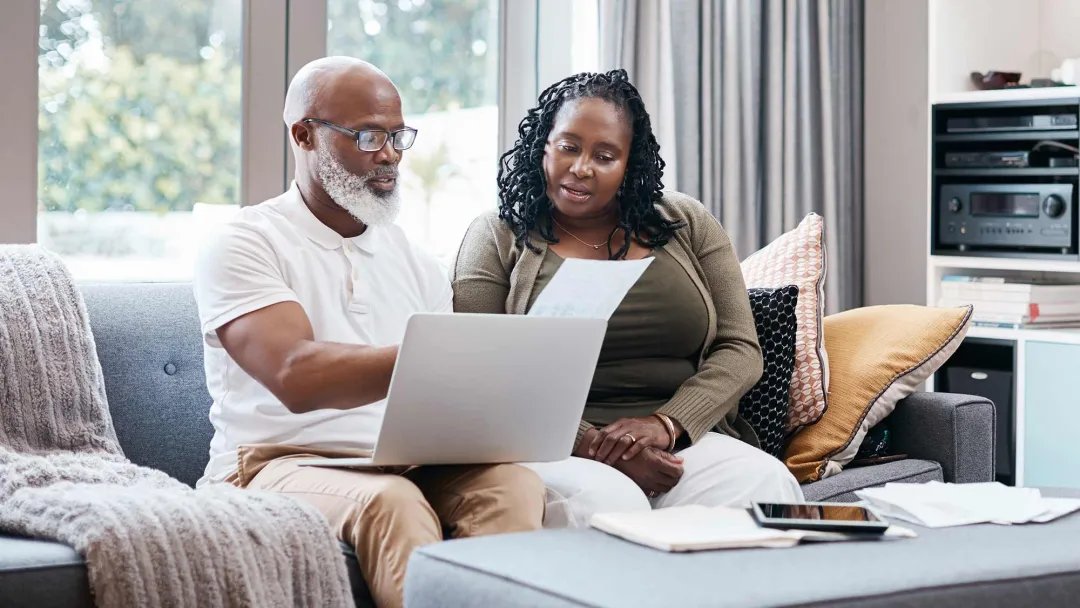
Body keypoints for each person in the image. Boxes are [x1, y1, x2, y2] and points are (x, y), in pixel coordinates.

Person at [192, 56, 544, 608]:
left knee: (513, 484)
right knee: (391, 503)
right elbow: (295, 375)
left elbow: (442, 397)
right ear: (304, 135)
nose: (388, 155)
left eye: (398, 136)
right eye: (368, 136)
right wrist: (430, 356)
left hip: (402, 459)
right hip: (276, 463)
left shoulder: (415, 259)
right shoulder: (245, 242)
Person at [452, 69, 803, 528]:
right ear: (544, 145)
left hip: (681, 440)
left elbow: (740, 349)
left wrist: (666, 425)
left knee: (765, 483)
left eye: (605, 155)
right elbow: (483, 368)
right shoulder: (496, 235)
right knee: (609, 506)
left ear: (628, 164)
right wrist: (596, 445)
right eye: (569, 146)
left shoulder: (685, 221)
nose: (581, 168)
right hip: (552, 444)